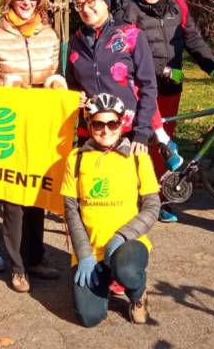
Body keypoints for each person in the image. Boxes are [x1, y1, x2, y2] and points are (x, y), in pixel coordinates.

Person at [0, 0, 67, 293]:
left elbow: (53, 74)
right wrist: (4, 84)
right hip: (7, 124)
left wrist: (55, 82)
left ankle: (36, 256)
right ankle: (17, 266)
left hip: (40, 122)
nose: (27, 2)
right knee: (13, 197)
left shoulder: (49, 36)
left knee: (38, 191)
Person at [114, 0, 214, 222]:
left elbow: (194, 40)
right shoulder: (128, 8)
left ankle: (160, 200)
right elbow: (122, 50)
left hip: (170, 87)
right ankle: (131, 199)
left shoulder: (178, 8)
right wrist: (162, 70)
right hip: (139, 87)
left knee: (164, 147)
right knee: (139, 142)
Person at [61, 94, 159, 327]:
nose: (106, 130)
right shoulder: (76, 158)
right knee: (89, 317)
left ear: (122, 123)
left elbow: (152, 206)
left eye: (113, 123)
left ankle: (137, 294)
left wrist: (122, 235)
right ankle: (103, 278)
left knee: (125, 269)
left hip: (127, 244)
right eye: (98, 124)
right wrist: (83, 253)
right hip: (91, 250)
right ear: (89, 125)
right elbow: (70, 210)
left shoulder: (138, 156)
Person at [65, 0, 157, 151]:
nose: (85, 9)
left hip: (127, 131)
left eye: (91, 1)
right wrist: (75, 96)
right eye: (80, 5)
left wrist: (142, 131)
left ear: (106, 2)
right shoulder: (75, 43)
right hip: (92, 131)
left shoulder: (131, 35)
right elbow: (71, 86)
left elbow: (148, 86)